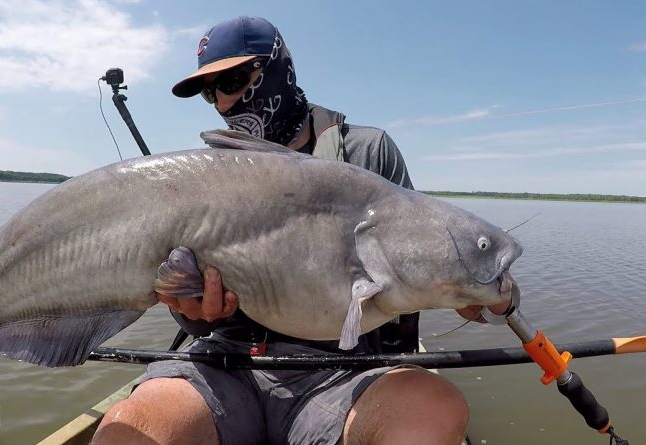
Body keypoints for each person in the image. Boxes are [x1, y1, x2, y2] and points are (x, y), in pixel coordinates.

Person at [93, 16, 500, 445]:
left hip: (343, 374)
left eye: (232, 79)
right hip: (227, 362)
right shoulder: (207, 177)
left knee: (432, 412)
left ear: (278, 68)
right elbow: (189, 313)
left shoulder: (366, 151)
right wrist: (190, 311)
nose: (223, 103)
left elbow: (426, 254)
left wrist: (471, 288)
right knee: (131, 430)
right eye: (210, 92)